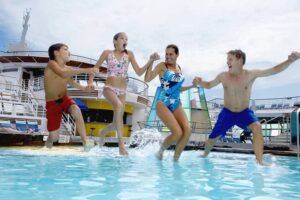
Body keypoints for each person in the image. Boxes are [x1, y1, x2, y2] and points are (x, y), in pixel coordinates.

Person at [196, 50, 300, 165]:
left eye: (230, 59)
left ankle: (259, 161)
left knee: (257, 127)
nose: (227, 62)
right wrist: (201, 82)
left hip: (244, 113)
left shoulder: (250, 74)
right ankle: (205, 154)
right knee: (212, 138)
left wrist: (290, 60)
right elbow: (209, 85)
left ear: (240, 60)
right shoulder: (223, 76)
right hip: (227, 113)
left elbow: (273, 70)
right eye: (227, 60)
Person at [88, 32, 159, 155]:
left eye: (126, 39)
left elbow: (139, 72)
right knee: (119, 106)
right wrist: (90, 82)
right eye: (122, 38)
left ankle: (103, 132)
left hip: (122, 91)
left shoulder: (129, 55)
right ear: (115, 41)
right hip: (109, 88)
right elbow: (94, 69)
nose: (125, 40)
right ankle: (121, 146)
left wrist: (150, 60)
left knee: (116, 123)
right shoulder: (107, 53)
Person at [144, 44, 198, 161]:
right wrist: (151, 61)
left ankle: (175, 160)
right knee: (177, 132)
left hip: (176, 102)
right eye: (166, 54)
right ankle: (160, 151)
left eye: (171, 54)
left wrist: (192, 86)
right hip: (163, 102)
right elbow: (147, 79)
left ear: (177, 55)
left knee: (187, 130)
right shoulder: (162, 66)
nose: (167, 57)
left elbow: (178, 88)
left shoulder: (179, 68)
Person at [44, 43, 98, 151]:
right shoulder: (51, 64)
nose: (69, 52)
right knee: (54, 137)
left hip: (64, 98)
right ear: (56, 53)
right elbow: (63, 74)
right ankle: (48, 143)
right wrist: (85, 70)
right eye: (65, 49)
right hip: (52, 103)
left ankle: (85, 143)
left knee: (76, 110)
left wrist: (84, 88)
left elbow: (71, 82)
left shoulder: (68, 68)